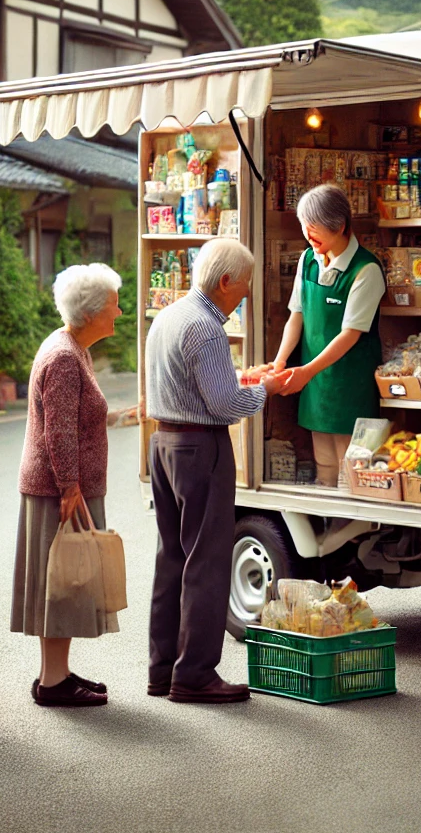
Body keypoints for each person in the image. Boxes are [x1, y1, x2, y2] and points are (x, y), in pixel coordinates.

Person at [144, 238, 290, 703]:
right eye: (244, 284)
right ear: (225, 281)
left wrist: (243, 379)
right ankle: (195, 675)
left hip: (163, 443)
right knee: (206, 563)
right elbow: (225, 406)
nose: (246, 293)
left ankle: (163, 670)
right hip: (198, 447)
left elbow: (194, 386)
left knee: (172, 558)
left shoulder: (168, 316)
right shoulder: (206, 328)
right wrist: (266, 389)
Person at [12, 263, 125, 707]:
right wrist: (70, 488)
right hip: (57, 490)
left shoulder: (73, 348)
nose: (119, 312)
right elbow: (57, 432)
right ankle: (54, 682)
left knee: (61, 580)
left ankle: (53, 674)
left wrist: (125, 415)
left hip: (62, 486)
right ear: (92, 312)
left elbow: (76, 419)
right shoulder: (64, 356)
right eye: (114, 304)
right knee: (62, 582)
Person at [269, 184, 386, 487]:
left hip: (351, 383)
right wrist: (280, 362)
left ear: (341, 226)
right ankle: (326, 508)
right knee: (323, 460)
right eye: (304, 226)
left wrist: (306, 371)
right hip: (315, 382)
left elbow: (350, 334)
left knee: (352, 466)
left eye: (315, 227)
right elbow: (297, 315)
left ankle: (350, 514)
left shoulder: (365, 270)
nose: (309, 234)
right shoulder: (308, 260)